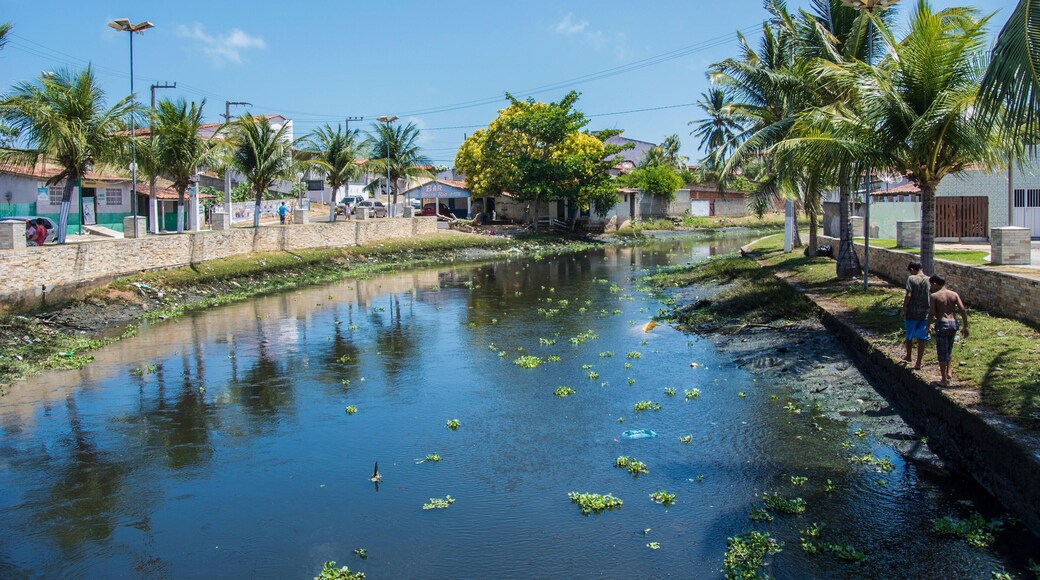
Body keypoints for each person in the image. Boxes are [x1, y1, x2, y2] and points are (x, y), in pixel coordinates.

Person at [927, 274, 969, 386]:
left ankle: (944, 379)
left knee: (941, 351)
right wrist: (965, 326)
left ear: (935, 284)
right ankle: (949, 372)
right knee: (949, 349)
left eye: (931, 284)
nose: (931, 287)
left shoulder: (934, 296)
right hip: (953, 323)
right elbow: (962, 309)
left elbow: (931, 313)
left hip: (942, 323)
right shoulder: (954, 294)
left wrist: (927, 327)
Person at [900, 261, 930, 369]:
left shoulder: (911, 279)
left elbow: (908, 295)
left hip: (912, 312)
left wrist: (904, 308)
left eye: (910, 271)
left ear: (913, 269)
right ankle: (918, 362)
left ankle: (908, 356)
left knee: (909, 335)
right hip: (924, 313)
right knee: (921, 338)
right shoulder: (928, 280)